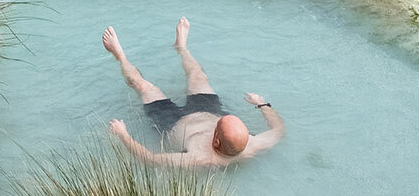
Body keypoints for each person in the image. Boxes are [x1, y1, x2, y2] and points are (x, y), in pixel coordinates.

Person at [103, 18, 284, 167]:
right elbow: (278, 130)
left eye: (217, 126)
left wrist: (123, 135)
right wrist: (262, 104)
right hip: (206, 108)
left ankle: (120, 56)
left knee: (141, 85)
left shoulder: (198, 158)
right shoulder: (252, 143)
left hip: (171, 122)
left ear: (216, 142)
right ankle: (182, 48)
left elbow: (150, 159)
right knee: (198, 76)